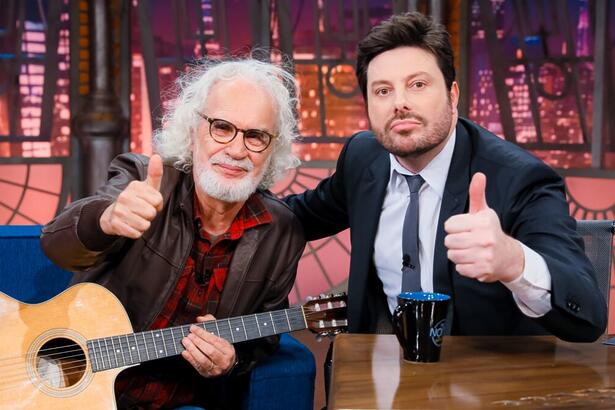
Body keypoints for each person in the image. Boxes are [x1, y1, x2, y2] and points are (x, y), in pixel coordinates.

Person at [285, 12, 606, 342]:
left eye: (418, 85)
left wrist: (514, 262)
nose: (400, 103)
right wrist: (233, 194)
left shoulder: (520, 179)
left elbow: (588, 313)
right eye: (382, 91)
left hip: (482, 379)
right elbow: (295, 217)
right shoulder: (363, 158)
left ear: (453, 96)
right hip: (382, 366)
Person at [41, 58, 305, 409]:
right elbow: (56, 245)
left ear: (271, 149)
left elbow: (264, 341)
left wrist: (233, 361)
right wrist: (106, 220)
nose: (237, 150)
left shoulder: (282, 234)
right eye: (222, 127)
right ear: (193, 131)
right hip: (78, 390)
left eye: (256, 136)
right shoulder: (143, 178)